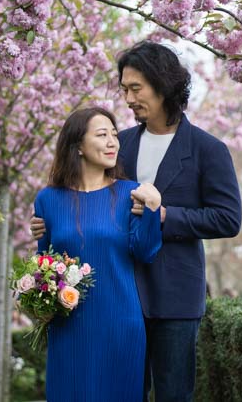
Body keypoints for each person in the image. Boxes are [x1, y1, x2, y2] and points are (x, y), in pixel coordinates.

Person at [31, 41, 242, 402]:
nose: (127, 98)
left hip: (173, 298)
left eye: (135, 88)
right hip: (113, 297)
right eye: (124, 88)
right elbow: (87, 196)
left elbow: (228, 219)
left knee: (174, 395)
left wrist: (165, 216)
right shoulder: (120, 143)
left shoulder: (208, 149)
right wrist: (51, 222)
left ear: (162, 85)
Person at [33, 105, 162, 401]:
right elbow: (44, 265)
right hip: (69, 326)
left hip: (121, 323)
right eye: (102, 135)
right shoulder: (48, 199)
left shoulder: (131, 193)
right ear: (77, 145)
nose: (112, 142)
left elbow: (146, 252)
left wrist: (152, 208)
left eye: (114, 135)